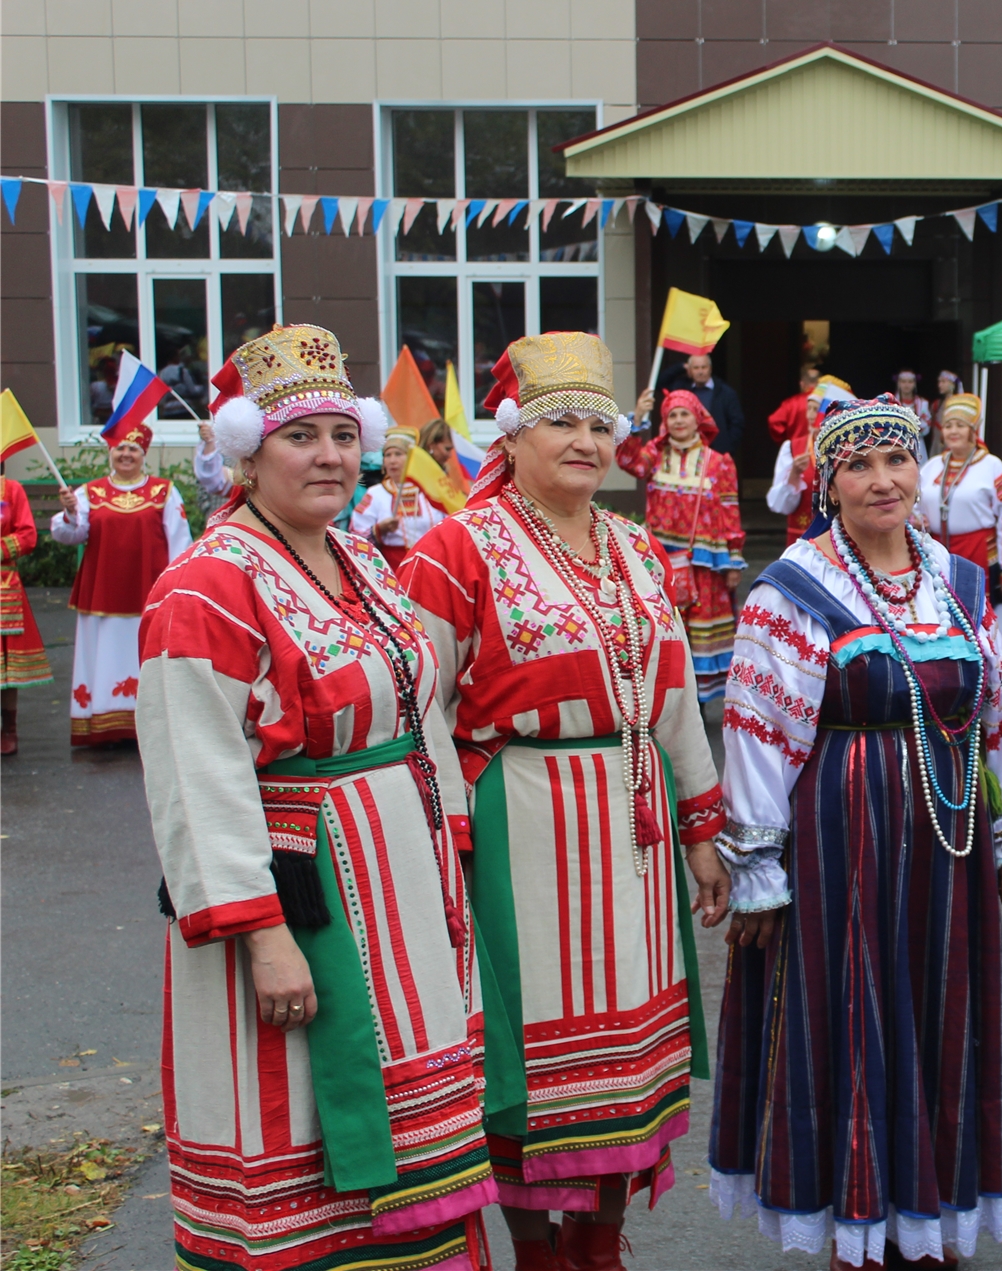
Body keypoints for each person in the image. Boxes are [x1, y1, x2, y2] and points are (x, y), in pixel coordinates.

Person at [140, 323, 497, 1271]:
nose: (331, 456)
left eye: (345, 435)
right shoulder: (205, 585)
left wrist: (448, 851)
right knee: (299, 1118)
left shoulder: (367, 563)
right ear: (246, 456)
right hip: (302, 899)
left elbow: (423, 713)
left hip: (402, 892)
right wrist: (262, 934)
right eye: (302, 438)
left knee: (416, 1125)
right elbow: (194, 775)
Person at [399, 332, 730, 1271]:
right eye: (559, 423)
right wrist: (449, 835)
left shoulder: (635, 549)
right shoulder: (455, 549)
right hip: (523, 825)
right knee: (533, 1052)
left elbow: (673, 701)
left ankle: (598, 1234)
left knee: (632, 1037)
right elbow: (420, 705)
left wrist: (702, 828)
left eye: (597, 422)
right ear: (510, 439)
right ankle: (537, 1245)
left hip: (634, 826)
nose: (584, 439)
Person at [709, 393, 1002, 1269]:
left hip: (947, 833)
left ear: (921, 470)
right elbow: (757, 729)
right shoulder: (794, 586)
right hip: (841, 836)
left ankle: (926, 1216)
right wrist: (757, 866)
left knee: (940, 1007)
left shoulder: (959, 579)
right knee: (855, 1014)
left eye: (896, 460)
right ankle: (856, 1221)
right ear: (828, 483)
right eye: (858, 465)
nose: (882, 480)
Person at [50, 423, 191, 746]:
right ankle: (104, 722)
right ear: (111, 453)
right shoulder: (89, 493)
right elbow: (70, 536)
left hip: (149, 593)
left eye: (133, 450)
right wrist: (70, 514)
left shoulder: (164, 492)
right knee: (103, 654)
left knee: (146, 655)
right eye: (120, 449)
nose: (126, 454)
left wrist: (178, 588)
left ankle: (150, 725)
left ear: (144, 456)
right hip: (102, 593)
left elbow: (180, 544)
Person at [615, 387, 745, 704]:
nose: (678, 420)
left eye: (684, 413)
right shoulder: (655, 455)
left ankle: (697, 703)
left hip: (705, 563)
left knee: (700, 635)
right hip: (660, 562)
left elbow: (730, 509)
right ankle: (668, 697)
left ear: (698, 418)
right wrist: (639, 417)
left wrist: (733, 559)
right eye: (671, 414)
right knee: (665, 629)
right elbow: (628, 460)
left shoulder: (719, 463)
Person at [917, 392, 1002, 620]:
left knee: (982, 616)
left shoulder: (991, 465)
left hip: (979, 551)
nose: (953, 431)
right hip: (936, 553)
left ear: (973, 431)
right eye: (948, 425)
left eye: (960, 426)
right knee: (940, 613)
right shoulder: (932, 466)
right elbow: (913, 503)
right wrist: (916, 519)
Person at [1, 474, 55, 753]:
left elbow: (27, 535)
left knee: (6, 666)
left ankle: (8, 728)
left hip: (3, 586)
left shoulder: (10, 489)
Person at [767, 375, 852, 545]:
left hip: (845, 543)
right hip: (803, 542)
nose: (812, 415)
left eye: (817, 409)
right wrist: (794, 475)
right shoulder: (792, 448)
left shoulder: (852, 450)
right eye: (810, 408)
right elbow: (778, 506)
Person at [350, 428, 449, 571]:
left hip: (430, 566)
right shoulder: (375, 494)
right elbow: (356, 536)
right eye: (387, 455)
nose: (392, 460)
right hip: (391, 570)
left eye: (398, 454)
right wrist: (379, 530)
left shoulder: (431, 491)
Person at [651, 352, 742, 456]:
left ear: (710, 369)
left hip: (717, 453)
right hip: (688, 452)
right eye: (696, 368)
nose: (700, 372)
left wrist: (727, 448)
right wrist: (680, 367)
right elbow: (658, 383)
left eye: (704, 367)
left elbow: (737, 423)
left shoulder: (726, 392)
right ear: (689, 371)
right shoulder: (682, 388)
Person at [765, 363, 819, 449]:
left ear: (802, 384)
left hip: (795, 450)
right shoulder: (827, 403)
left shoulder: (791, 403)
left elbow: (773, 421)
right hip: (821, 452)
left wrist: (785, 441)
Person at [892, 368, 935, 458]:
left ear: (915, 384)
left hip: (918, 445)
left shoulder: (923, 403)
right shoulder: (891, 404)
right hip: (896, 444)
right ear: (898, 383)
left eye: (910, 382)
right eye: (903, 381)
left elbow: (926, 427)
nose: (906, 385)